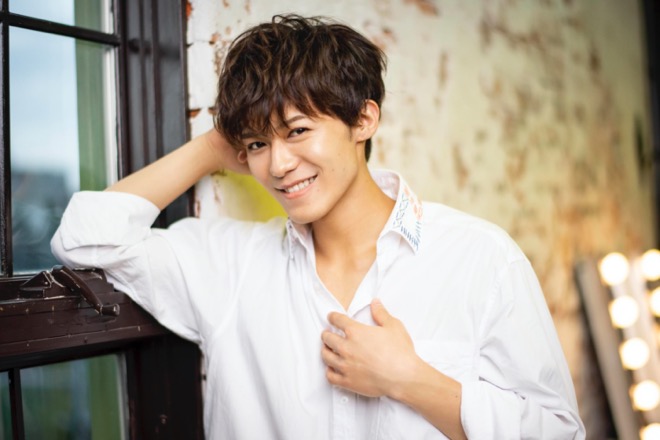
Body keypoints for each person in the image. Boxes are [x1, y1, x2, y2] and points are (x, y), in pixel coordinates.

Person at [51, 14, 585, 440]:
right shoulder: (230, 266)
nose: (278, 165)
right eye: (257, 144)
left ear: (363, 120)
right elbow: (85, 237)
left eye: (298, 131)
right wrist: (213, 146)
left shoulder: (479, 257)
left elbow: (559, 431)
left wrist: (412, 381)